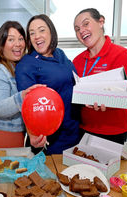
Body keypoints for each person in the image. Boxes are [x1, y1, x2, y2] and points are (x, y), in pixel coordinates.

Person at [15, 14, 81, 155]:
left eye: (41, 30)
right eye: (32, 33)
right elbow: (27, 105)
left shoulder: (60, 54)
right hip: (50, 140)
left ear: (51, 31)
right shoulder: (26, 65)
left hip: (75, 131)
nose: (37, 36)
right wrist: (32, 133)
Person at [73, 8, 127, 144]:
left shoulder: (121, 55)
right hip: (85, 128)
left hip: (114, 130)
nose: (81, 30)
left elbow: (123, 92)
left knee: (110, 164)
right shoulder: (77, 61)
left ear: (101, 22)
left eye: (86, 24)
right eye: (77, 29)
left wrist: (107, 100)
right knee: (85, 164)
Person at [0, 21, 42, 153]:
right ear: (1, 45)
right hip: (0, 134)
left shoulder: (17, 67)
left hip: (16, 134)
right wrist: (23, 96)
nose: (18, 44)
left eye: (20, 39)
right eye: (11, 39)